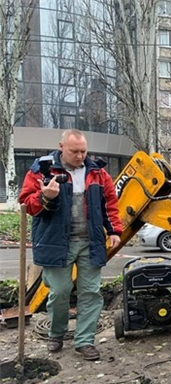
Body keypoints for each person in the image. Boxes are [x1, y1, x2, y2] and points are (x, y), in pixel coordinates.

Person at [19, 129, 122, 361]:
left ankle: (84, 341)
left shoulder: (98, 172)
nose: (80, 156)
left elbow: (110, 204)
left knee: (90, 293)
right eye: (74, 151)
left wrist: (114, 230)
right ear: (61, 147)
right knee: (60, 292)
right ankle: (56, 333)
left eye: (83, 151)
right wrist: (45, 197)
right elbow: (27, 204)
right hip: (56, 243)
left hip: (90, 242)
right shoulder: (41, 170)